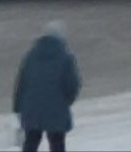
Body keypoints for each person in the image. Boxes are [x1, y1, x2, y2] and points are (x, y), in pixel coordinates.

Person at [14, 22, 81, 152]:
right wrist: (67, 101)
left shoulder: (30, 56)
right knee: (57, 143)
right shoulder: (65, 57)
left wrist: (17, 107)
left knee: (31, 142)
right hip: (56, 108)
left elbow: (21, 83)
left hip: (32, 109)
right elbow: (72, 85)